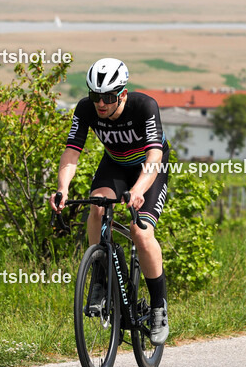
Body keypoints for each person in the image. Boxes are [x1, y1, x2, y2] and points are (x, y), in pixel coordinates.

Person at [49, 58, 170, 345]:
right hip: (115, 164)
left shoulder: (145, 107)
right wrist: (62, 189)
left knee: (141, 232)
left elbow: (154, 157)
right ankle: (101, 278)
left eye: (108, 97)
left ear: (123, 95)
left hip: (150, 168)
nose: (101, 104)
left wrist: (139, 189)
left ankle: (158, 308)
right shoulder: (85, 109)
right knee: (97, 207)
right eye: (95, 97)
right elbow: (71, 152)